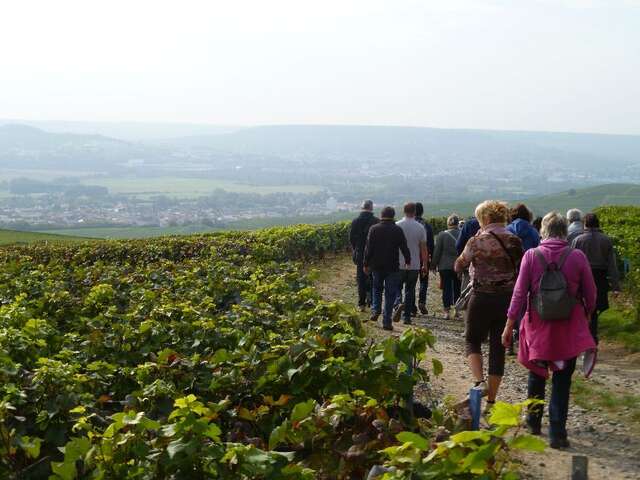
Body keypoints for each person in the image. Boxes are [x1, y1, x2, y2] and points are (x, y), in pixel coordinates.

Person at [502, 212, 596, 449]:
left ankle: (533, 422)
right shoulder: (577, 256)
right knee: (562, 380)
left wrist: (509, 325)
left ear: (543, 231)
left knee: (537, 372)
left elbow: (519, 294)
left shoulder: (531, 256)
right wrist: (585, 315)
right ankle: (557, 433)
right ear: (564, 231)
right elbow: (591, 293)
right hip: (568, 326)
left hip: (537, 326)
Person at [454, 201, 523, 411]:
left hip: (481, 297)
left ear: (483, 219)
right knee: (498, 348)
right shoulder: (514, 241)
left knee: (472, 340)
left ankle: (479, 382)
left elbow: (459, 264)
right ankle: (491, 403)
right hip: (507, 300)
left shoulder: (476, 241)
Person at [572, 213, 621, 344]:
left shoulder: (578, 240)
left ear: (585, 224)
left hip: (582, 278)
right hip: (600, 278)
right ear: (598, 224)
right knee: (595, 309)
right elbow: (612, 265)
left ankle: (584, 338)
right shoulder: (606, 240)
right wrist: (616, 287)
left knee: (583, 309)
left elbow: (571, 262)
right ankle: (592, 337)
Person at [363, 206, 411, 331]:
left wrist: (365, 263)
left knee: (377, 289)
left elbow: (368, 248)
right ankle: (386, 321)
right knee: (390, 294)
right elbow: (404, 246)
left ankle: (376, 309)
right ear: (393, 215)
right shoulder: (397, 230)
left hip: (377, 266)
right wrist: (408, 260)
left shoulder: (373, 229)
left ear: (381, 215)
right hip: (392, 266)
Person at [393, 203, 428, 325]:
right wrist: (425, 265)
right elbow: (423, 249)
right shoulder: (420, 227)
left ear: (403, 211)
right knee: (410, 289)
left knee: (397, 286)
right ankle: (407, 316)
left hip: (399, 263)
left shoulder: (397, 226)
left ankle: (398, 303)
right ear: (414, 212)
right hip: (414, 264)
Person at [349, 200, 379, 311]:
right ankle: (371, 300)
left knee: (361, 278)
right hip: (374, 253)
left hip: (360, 252)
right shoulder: (376, 221)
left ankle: (361, 303)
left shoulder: (355, 221)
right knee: (373, 277)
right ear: (371, 208)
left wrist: (356, 249)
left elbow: (351, 239)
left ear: (362, 207)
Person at [432, 214, 461, 318]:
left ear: (448, 223)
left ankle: (446, 311)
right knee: (458, 288)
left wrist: (433, 265)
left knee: (446, 288)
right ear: (457, 223)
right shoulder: (462, 234)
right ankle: (457, 310)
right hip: (458, 265)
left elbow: (437, 252)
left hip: (444, 266)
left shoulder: (442, 235)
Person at [415, 202, 435, 315]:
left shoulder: (410, 224)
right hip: (424, 257)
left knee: (410, 283)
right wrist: (430, 257)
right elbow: (431, 244)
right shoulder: (426, 225)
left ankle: (410, 305)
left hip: (411, 257)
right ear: (422, 212)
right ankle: (422, 301)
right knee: (424, 281)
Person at [456, 216, 481, 291]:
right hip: (493, 271)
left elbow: (459, 245)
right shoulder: (500, 226)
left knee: (466, 289)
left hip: (470, 264)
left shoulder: (468, 224)